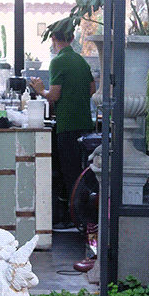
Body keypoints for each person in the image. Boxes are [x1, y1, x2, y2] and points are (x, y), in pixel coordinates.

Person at [30, 26, 95, 231]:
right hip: (85, 123)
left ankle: (70, 218)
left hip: (67, 125)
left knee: (68, 173)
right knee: (82, 171)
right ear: (73, 38)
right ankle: (84, 216)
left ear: (53, 39)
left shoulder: (58, 61)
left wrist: (40, 90)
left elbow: (54, 95)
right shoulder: (81, 60)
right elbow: (93, 89)